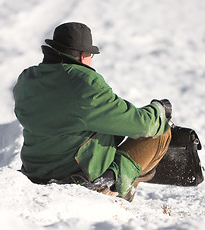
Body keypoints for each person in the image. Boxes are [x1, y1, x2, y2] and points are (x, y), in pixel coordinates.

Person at [13, 22, 172, 201]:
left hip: (34, 174)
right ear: (83, 56)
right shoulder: (84, 81)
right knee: (160, 132)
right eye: (91, 55)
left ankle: (115, 181)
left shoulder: (27, 79)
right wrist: (158, 109)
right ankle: (114, 187)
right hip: (75, 181)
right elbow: (142, 124)